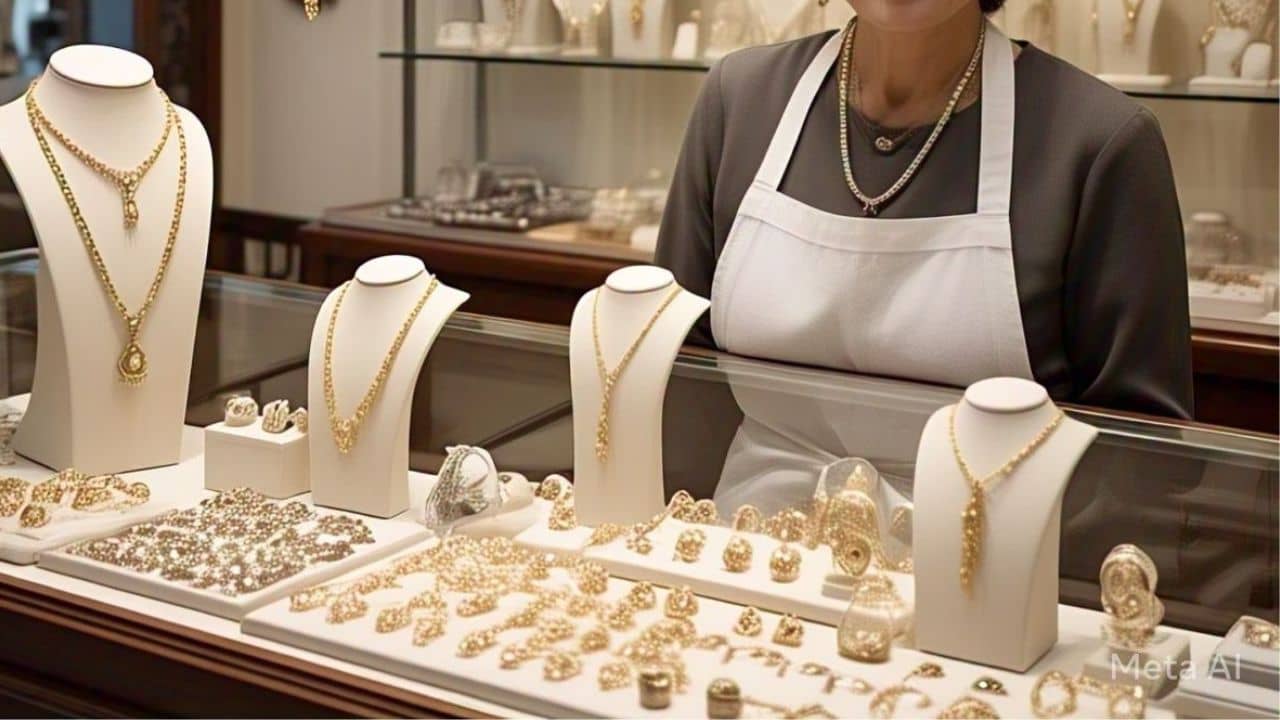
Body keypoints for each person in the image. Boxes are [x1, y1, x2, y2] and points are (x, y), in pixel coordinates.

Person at [656, 0, 1194, 421]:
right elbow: (670, 371)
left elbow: (1142, 463)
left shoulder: (1101, 145)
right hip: (740, 527)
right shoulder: (739, 100)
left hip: (993, 532)